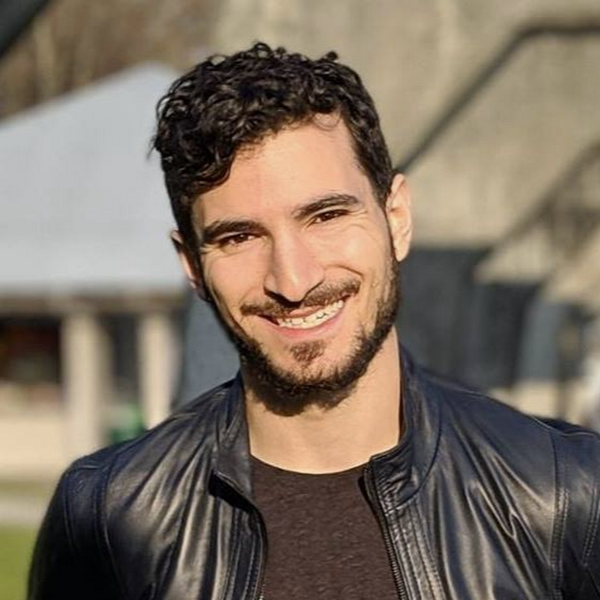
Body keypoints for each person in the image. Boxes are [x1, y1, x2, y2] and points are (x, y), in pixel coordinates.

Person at [29, 42, 600, 600]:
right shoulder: (112, 513)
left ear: (396, 218)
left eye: (326, 216)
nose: (293, 280)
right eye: (240, 237)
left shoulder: (563, 493)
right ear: (193, 266)